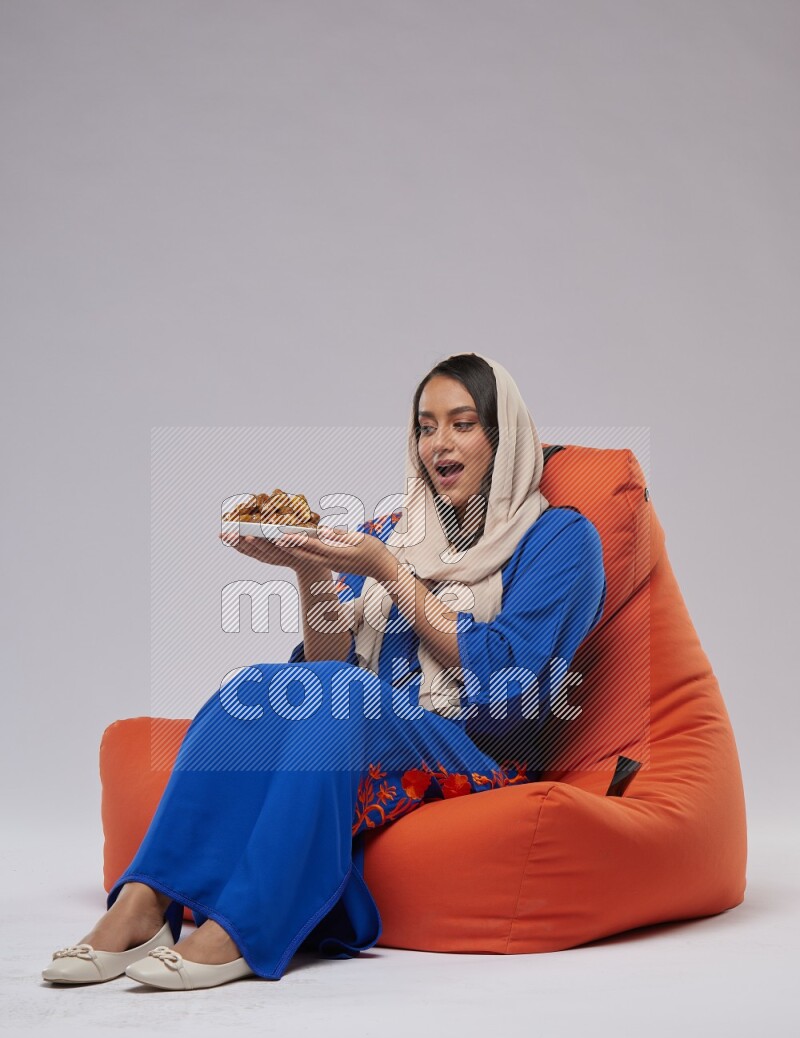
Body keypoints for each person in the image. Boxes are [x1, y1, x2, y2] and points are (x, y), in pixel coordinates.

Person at [41, 352, 606, 991]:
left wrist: (392, 573)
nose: (438, 443)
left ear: (503, 438)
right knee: (253, 688)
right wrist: (309, 572)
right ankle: (144, 904)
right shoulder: (392, 532)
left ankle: (247, 925)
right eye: (425, 426)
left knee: (343, 696)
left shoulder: (560, 537)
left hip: (476, 750)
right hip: (369, 726)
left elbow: (513, 677)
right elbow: (327, 668)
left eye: (462, 423)